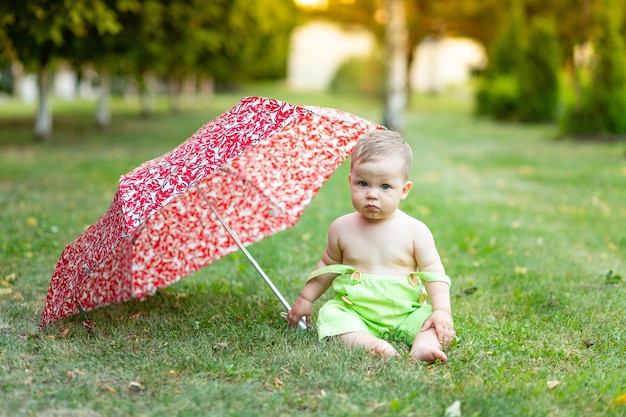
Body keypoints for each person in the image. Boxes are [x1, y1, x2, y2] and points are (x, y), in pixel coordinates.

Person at [287, 129, 455, 363]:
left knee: (429, 320)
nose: (372, 195)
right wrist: (306, 299)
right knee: (332, 315)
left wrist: (441, 311)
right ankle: (369, 343)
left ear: (404, 190)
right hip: (357, 311)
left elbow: (433, 273)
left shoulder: (416, 231)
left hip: (407, 312)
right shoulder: (342, 228)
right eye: (363, 183)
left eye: (385, 187)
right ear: (350, 181)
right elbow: (328, 264)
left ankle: (423, 347)